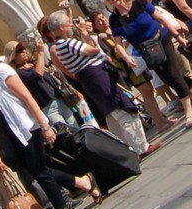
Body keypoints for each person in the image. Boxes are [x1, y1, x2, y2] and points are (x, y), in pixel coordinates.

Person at [0, 38, 100, 209]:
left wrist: (45, 126)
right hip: (10, 134)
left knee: (42, 173)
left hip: (27, 128)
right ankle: (83, 182)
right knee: (40, 172)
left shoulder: (1, 71)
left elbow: (27, 97)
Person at [46, 10, 153, 156]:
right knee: (121, 109)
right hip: (97, 76)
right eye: (68, 23)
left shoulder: (59, 47)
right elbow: (94, 50)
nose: (71, 25)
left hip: (90, 79)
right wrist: (84, 32)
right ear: (61, 27)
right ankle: (141, 147)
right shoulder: (67, 43)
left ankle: (127, 150)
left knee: (111, 115)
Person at [104, 0, 192, 126]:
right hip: (147, 50)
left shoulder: (138, 3)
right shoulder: (115, 19)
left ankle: (189, 113)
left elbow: (160, 18)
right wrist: (126, 57)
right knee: (167, 79)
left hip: (162, 38)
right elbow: (118, 43)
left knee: (173, 73)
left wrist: (177, 36)